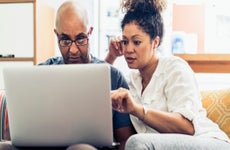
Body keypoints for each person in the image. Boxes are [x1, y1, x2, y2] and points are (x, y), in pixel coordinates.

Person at [0, 1, 136, 150]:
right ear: (56, 35)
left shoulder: (113, 77)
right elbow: (11, 134)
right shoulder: (40, 74)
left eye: (80, 39)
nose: (73, 50)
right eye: (65, 40)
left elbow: (125, 140)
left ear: (90, 32)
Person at [105, 0, 230, 150]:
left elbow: (187, 128)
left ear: (155, 42)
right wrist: (111, 56)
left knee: (136, 142)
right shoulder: (132, 81)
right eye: (125, 42)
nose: (128, 49)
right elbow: (100, 86)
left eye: (136, 42)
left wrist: (137, 109)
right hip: (160, 146)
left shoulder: (174, 68)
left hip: (207, 141)